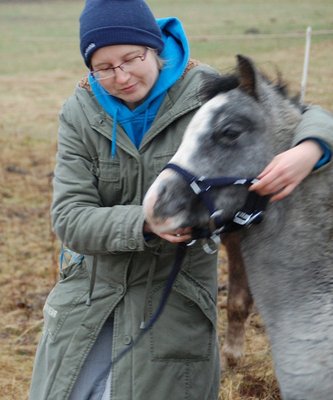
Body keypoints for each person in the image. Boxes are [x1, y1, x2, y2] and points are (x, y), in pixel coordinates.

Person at [29, 0, 333, 399]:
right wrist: (144, 222)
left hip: (174, 297)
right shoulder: (81, 112)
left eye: (131, 58)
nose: (120, 77)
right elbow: (69, 218)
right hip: (90, 297)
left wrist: (311, 147)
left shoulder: (205, 91)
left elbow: (298, 113)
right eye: (103, 67)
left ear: (153, 47)